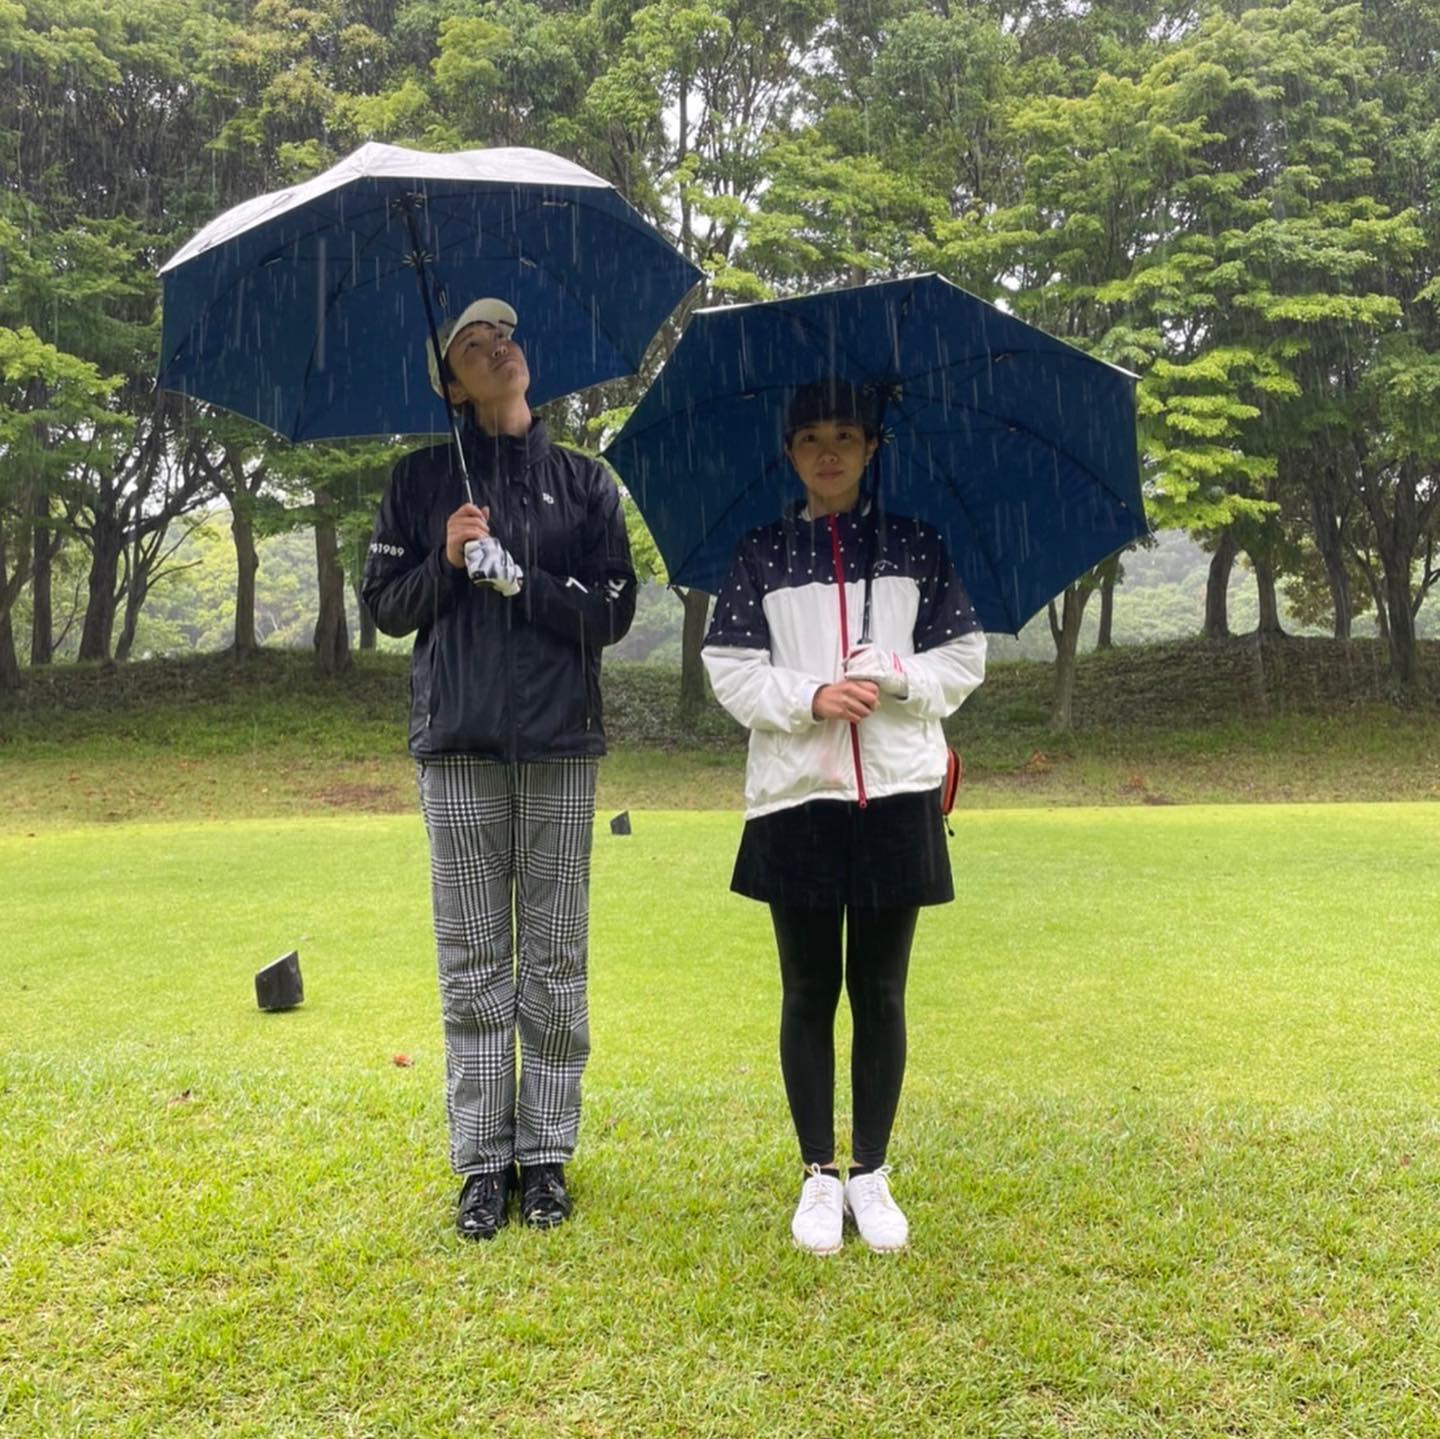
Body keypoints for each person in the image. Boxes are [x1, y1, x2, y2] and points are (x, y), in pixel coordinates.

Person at [361, 298, 636, 1240]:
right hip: (459, 745)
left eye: (505, 336)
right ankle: (483, 1163)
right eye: (473, 347)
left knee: (555, 958)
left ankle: (546, 1155)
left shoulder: (584, 481)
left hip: (561, 742)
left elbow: (612, 610)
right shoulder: (418, 481)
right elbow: (386, 606)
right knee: (474, 961)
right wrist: (447, 560)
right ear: (452, 386)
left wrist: (522, 582)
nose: (499, 349)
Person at [701, 378, 986, 1254]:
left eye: (846, 436)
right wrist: (813, 696)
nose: (828, 452)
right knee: (808, 990)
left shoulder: (916, 545)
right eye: (811, 438)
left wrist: (895, 673)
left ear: (872, 447)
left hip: (899, 791)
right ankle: (819, 1174)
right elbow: (732, 669)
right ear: (789, 453)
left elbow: (964, 657)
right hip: (799, 795)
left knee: (882, 991)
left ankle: (871, 1170)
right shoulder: (761, 551)